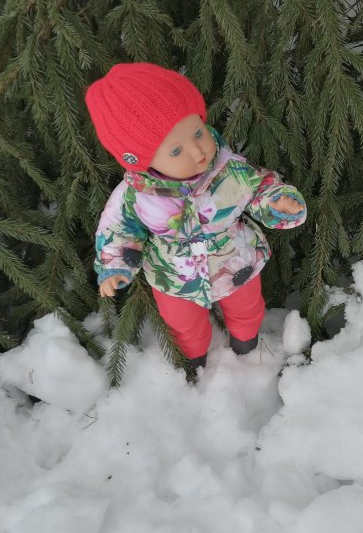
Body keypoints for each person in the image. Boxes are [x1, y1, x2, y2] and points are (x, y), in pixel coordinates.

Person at [86, 63, 306, 369]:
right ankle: (193, 361)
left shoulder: (229, 169)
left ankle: (247, 347)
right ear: (144, 161)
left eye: (198, 132)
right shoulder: (135, 195)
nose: (198, 150)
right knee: (183, 326)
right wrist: (116, 266)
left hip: (236, 261)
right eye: (176, 151)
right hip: (175, 277)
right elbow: (118, 230)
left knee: (247, 309)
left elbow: (260, 186)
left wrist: (277, 202)